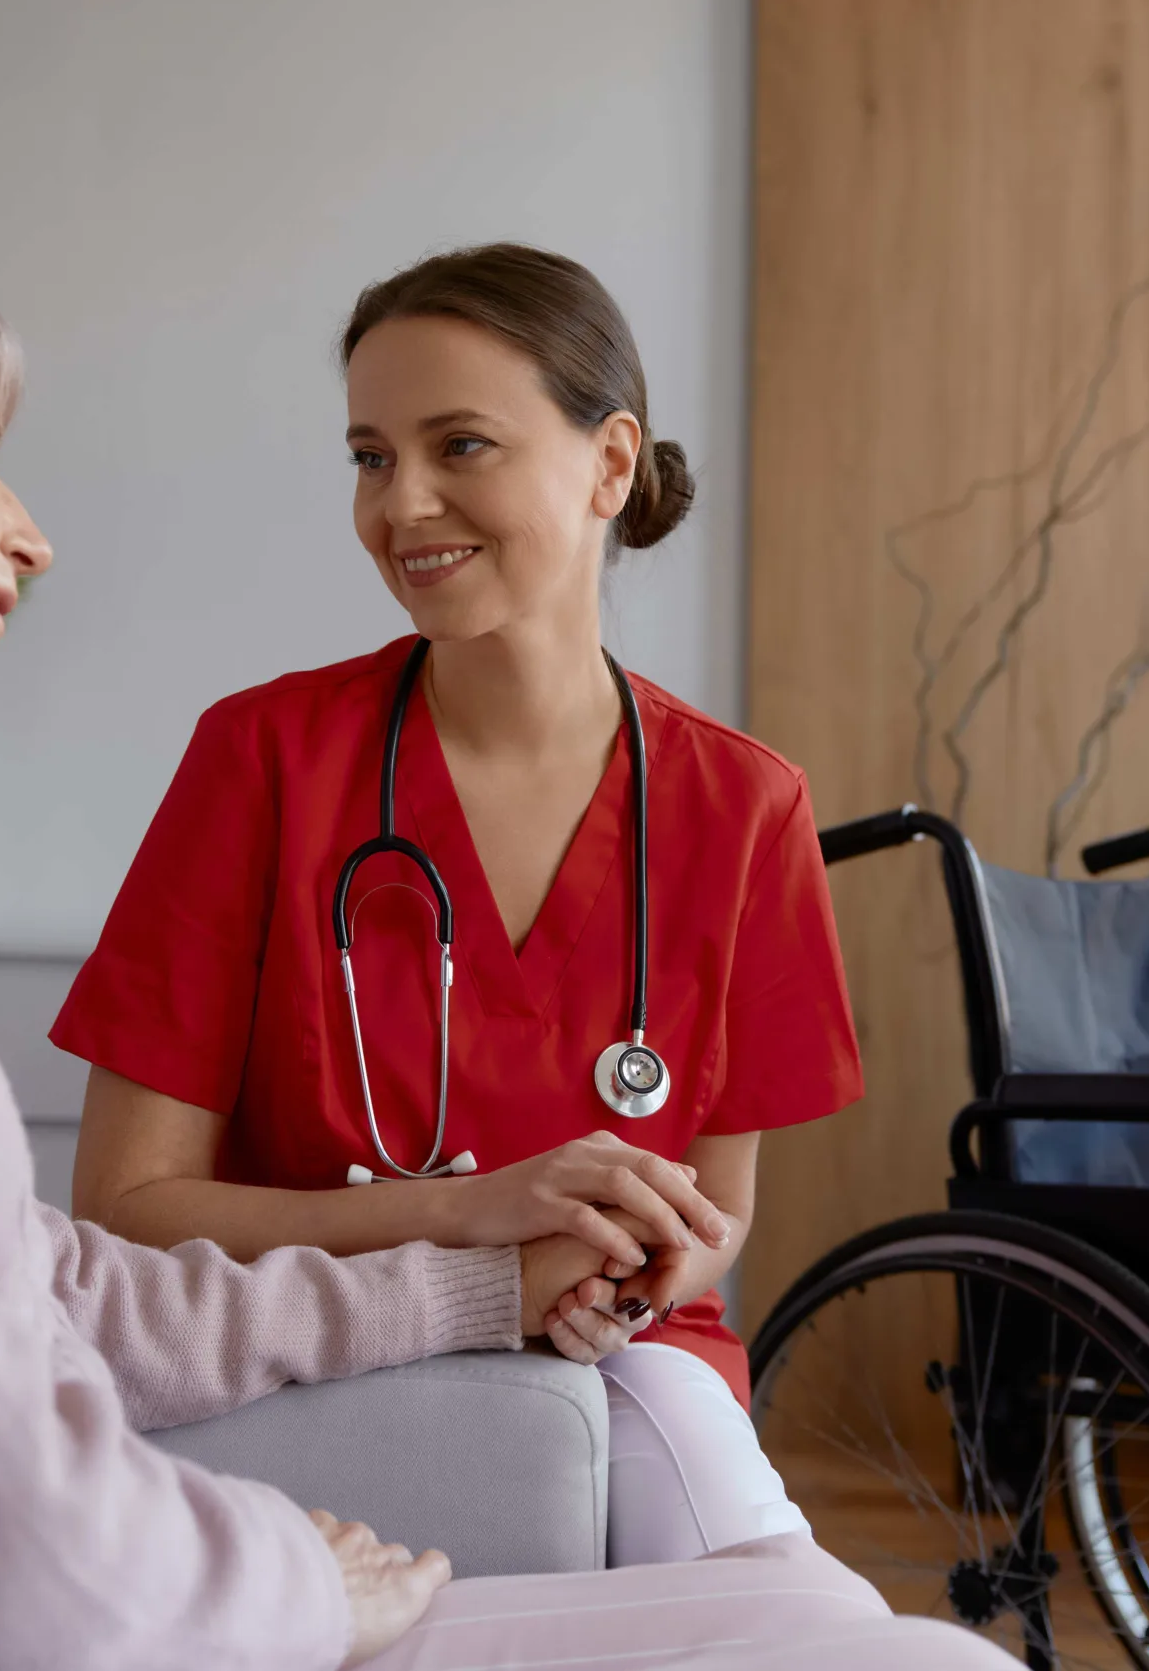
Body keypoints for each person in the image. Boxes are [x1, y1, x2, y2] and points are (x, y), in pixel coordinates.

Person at [0, 183, 1014, 1671]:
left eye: (460, 446)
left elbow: (23, 1293)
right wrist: (290, 1575)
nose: (28, 531)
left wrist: (477, 1292)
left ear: (608, 461)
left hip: (48, 1570)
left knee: (819, 1616)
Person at [56, 243, 858, 1569]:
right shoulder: (261, 762)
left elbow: (720, 1209)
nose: (400, 504)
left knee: (757, 1572)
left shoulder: (745, 809)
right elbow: (127, 1207)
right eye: (370, 456)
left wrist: (631, 1274)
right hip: (316, 1358)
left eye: (460, 445)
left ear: (610, 465)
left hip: (624, 1367)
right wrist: (481, 1221)